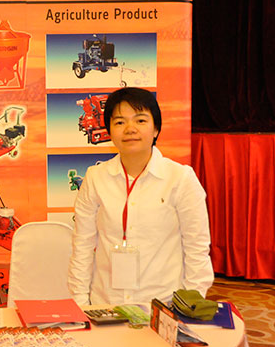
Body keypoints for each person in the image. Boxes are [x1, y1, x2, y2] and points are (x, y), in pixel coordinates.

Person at [68, 87, 213, 306]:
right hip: (106, 304)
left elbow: (196, 248)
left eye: (140, 120)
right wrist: (81, 303)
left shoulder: (180, 178)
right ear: (109, 131)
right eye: (120, 122)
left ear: (156, 129)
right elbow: (83, 246)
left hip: (162, 306)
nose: (130, 129)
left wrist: (189, 306)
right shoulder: (95, 177)